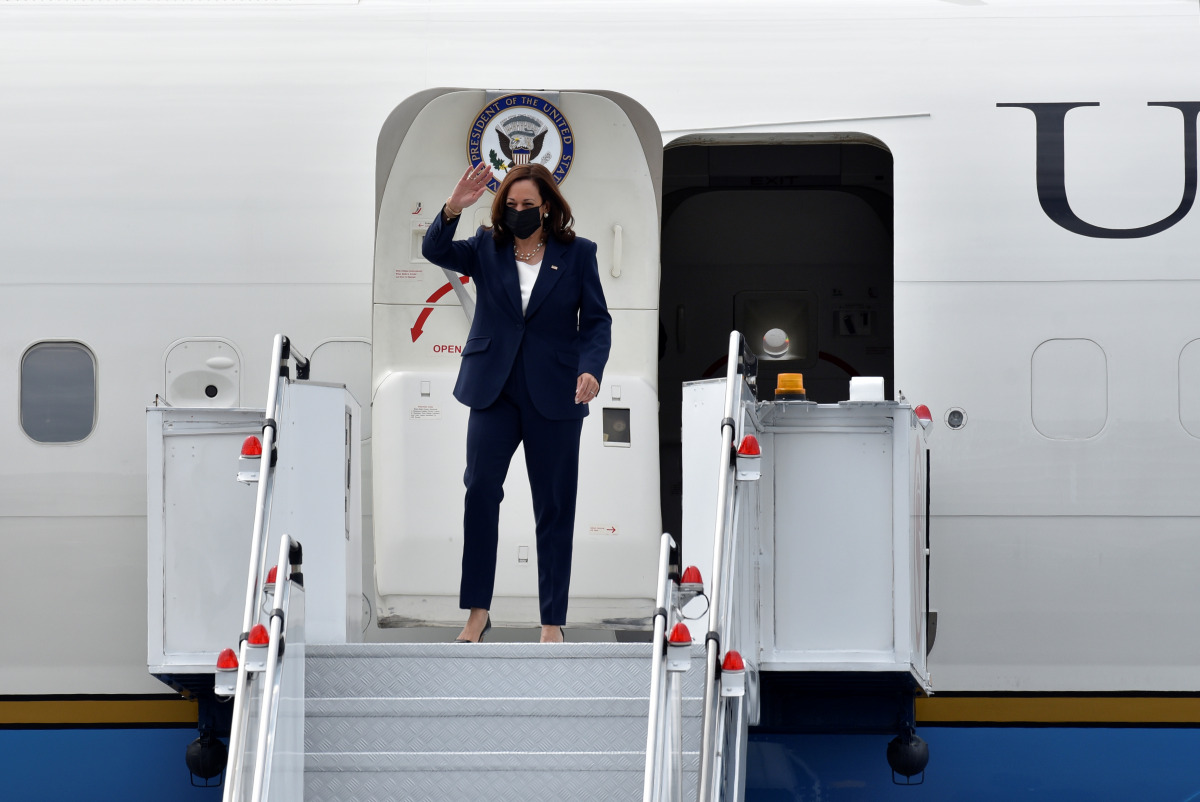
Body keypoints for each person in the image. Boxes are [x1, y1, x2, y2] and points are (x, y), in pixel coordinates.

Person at [421, 162, 611, 644]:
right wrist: (452, 207)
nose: (520, 211)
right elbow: (434, 249)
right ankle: (478, 613)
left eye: (528, 204)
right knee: (480, 492)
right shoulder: (488, 246)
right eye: (512, 205)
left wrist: (591, 368)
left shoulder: (578, 253)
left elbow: (596, 322)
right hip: (494, 389)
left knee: (554, 506)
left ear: (547, 205)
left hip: (556, 392)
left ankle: (552, 621)